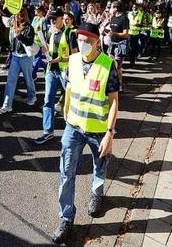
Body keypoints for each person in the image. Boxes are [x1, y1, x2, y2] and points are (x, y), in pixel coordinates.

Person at [52, 22, 120, 244]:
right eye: (80, 40)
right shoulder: (71, 61)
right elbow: (70, 87)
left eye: (88, 41)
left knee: (100, 167)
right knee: (66, 173)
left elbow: (113, 103)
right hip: (73, 128)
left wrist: (110, 133)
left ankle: (96, 193)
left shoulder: (108, 65)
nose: (82, 44)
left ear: (97, 42)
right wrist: (65, 109)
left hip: (99, 130)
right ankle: (66, 218)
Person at [35, 9, 69, 145]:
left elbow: (75, 55)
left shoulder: (69, 33)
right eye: (51, 19)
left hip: (65, 71)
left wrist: (59, 59)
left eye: (55, 19)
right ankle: (48, 131)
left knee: (70, 101)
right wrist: (46, 49)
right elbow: (51, 48)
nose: (53, 21)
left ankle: (72, 131)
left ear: (62, 18)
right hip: (51, 70)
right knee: (48, 101)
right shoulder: (50, 31)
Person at [0, 8, 37, 113]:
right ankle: (7, 105)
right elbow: (5, 21)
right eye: (18, 15)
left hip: (26, 57)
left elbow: (29, 42)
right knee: (10, 82)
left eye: (22, 15)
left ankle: (32, 96)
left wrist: (19, 36)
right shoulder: (14, 25)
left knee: (28, 79)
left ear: (25, 15)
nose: (20, 17)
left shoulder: (29, 28)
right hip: (15, 56)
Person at [106, 1, 129, 89]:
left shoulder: (124, 18)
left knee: (117, 66)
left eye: (111, 7)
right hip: (112, 44)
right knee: (111, 65)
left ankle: (119, 85)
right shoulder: (112, 17)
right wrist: (108, 33)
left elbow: (125, 34)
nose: (110, 9)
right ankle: (111, 83)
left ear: (116, 8)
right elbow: (112, 30)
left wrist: (114, 33)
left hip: (120, 44)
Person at [31, 5, 48, 80]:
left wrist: (45, 44)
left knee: (37, 59)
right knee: (36, 58)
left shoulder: (43, 20)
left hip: (40, 42)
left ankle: (33, 74)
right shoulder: (35, 18)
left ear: (41, 12)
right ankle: (45, 66)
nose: (35, 11)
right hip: (33, 41)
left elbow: (45, 32)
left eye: (37, 10)